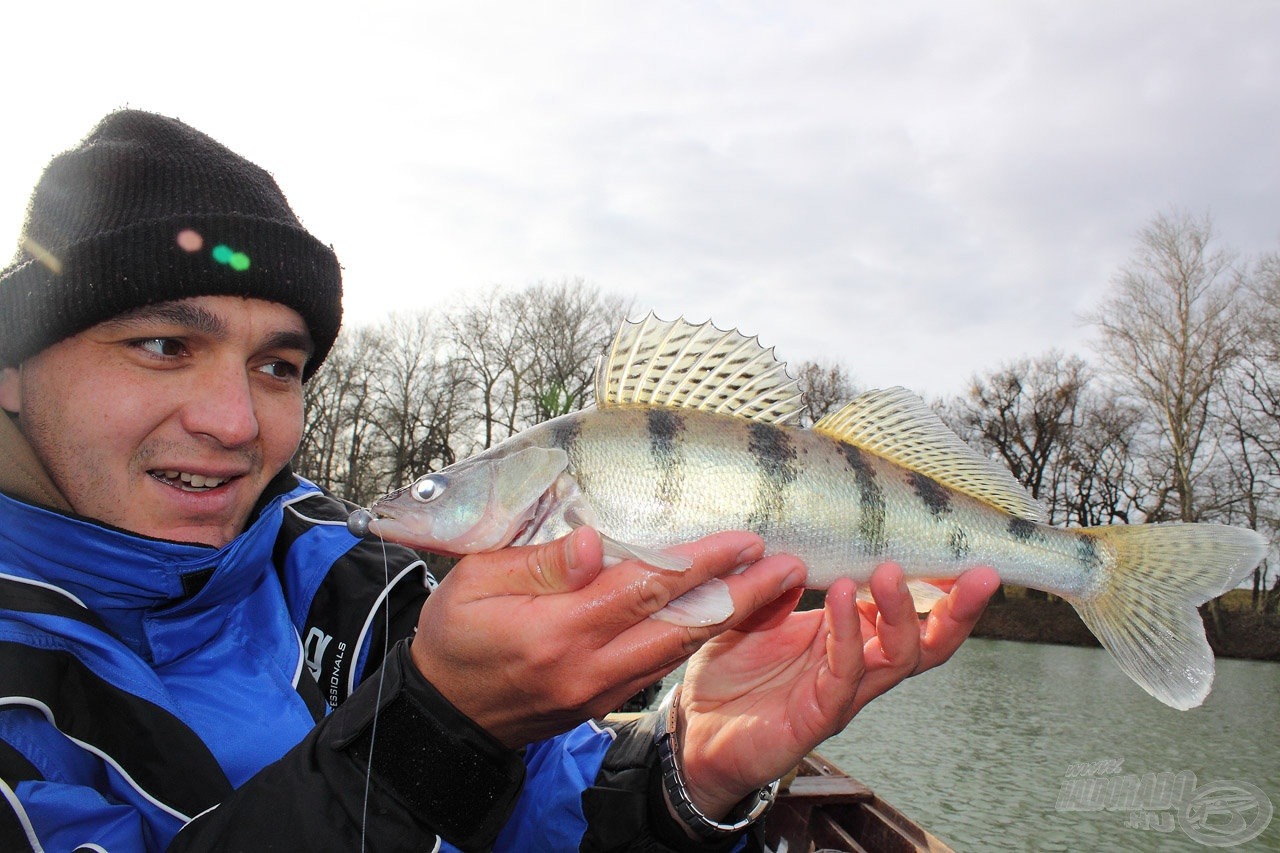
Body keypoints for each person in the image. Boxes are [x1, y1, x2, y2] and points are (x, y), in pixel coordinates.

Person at [0, 109, 998, 851]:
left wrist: (692, 768)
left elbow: (553, 805)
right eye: (164, 343)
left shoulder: (359, 581)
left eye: (278, 366)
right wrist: (439, 730)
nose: (233, 420)